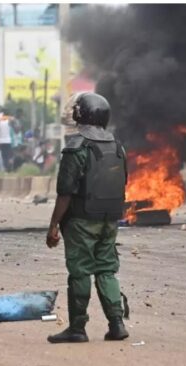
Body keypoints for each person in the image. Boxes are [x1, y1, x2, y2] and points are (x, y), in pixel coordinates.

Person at [46, 92, 129, 344]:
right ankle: (117, 324)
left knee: (80, 272)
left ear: (79, 114)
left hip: (81, 222)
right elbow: (123, 182)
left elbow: (65, 192)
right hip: (110, 219)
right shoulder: (117, 146)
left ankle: (77, 328)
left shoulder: (76, 147)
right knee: (106, 270)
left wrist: (53, 226)